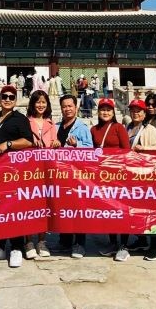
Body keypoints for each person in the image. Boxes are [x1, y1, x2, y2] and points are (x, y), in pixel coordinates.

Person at [0, 85, 33, 268]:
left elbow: (28, 141)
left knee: (14, 209)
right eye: (5, 96)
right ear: (0, 99)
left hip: (14, 171)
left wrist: (9, 144)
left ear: (16, 100)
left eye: (11, 97)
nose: (8, 100)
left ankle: (17, 248)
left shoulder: (20, 119)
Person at [91, 98, 130, 261]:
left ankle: (124, 245)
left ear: (113, 113)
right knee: (108, 210)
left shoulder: (118, 128)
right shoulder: (94, 129)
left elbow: (127, 151)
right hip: (102, 175)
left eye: (108, 110)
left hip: (119, 175)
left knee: (122, 210)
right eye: (102, 109)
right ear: (98, 112)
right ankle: (113, 242)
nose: (105, 112)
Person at [56, 93, 93, 257]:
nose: (67, 109)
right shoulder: (56, 126)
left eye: (70, 106)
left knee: (78, 209)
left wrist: (77, 144)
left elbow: (91, 149)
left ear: (76, 108)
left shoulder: (82, 127)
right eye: (64, 106)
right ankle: (64, 241)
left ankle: (79, 243)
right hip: (60, 174)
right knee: (63, 209)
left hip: (78, 175)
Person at [126, 99, 156, 260]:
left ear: (144, 113)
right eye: (133, 110)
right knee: (135, 211)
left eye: (138, 110)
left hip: (148, 175)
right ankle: (141, 240)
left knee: (151, 211)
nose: (135, 113)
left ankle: (155, 246)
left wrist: (144, 148)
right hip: (132, 175)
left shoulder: (150, 129)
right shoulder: (127, 127)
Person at [25, 91, 59, 259]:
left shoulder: (50, 123)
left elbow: (54, 141)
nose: (40, 105)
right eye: (37, 102)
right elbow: (23, 141)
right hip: (30, 169)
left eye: (43, 102)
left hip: (46, 168)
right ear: (32, 104)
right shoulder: (26, 122)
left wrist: (56, 143)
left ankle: (42, 241)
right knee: (29, 204)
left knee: (44, 205)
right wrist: (32, 143)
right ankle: (28, 241)